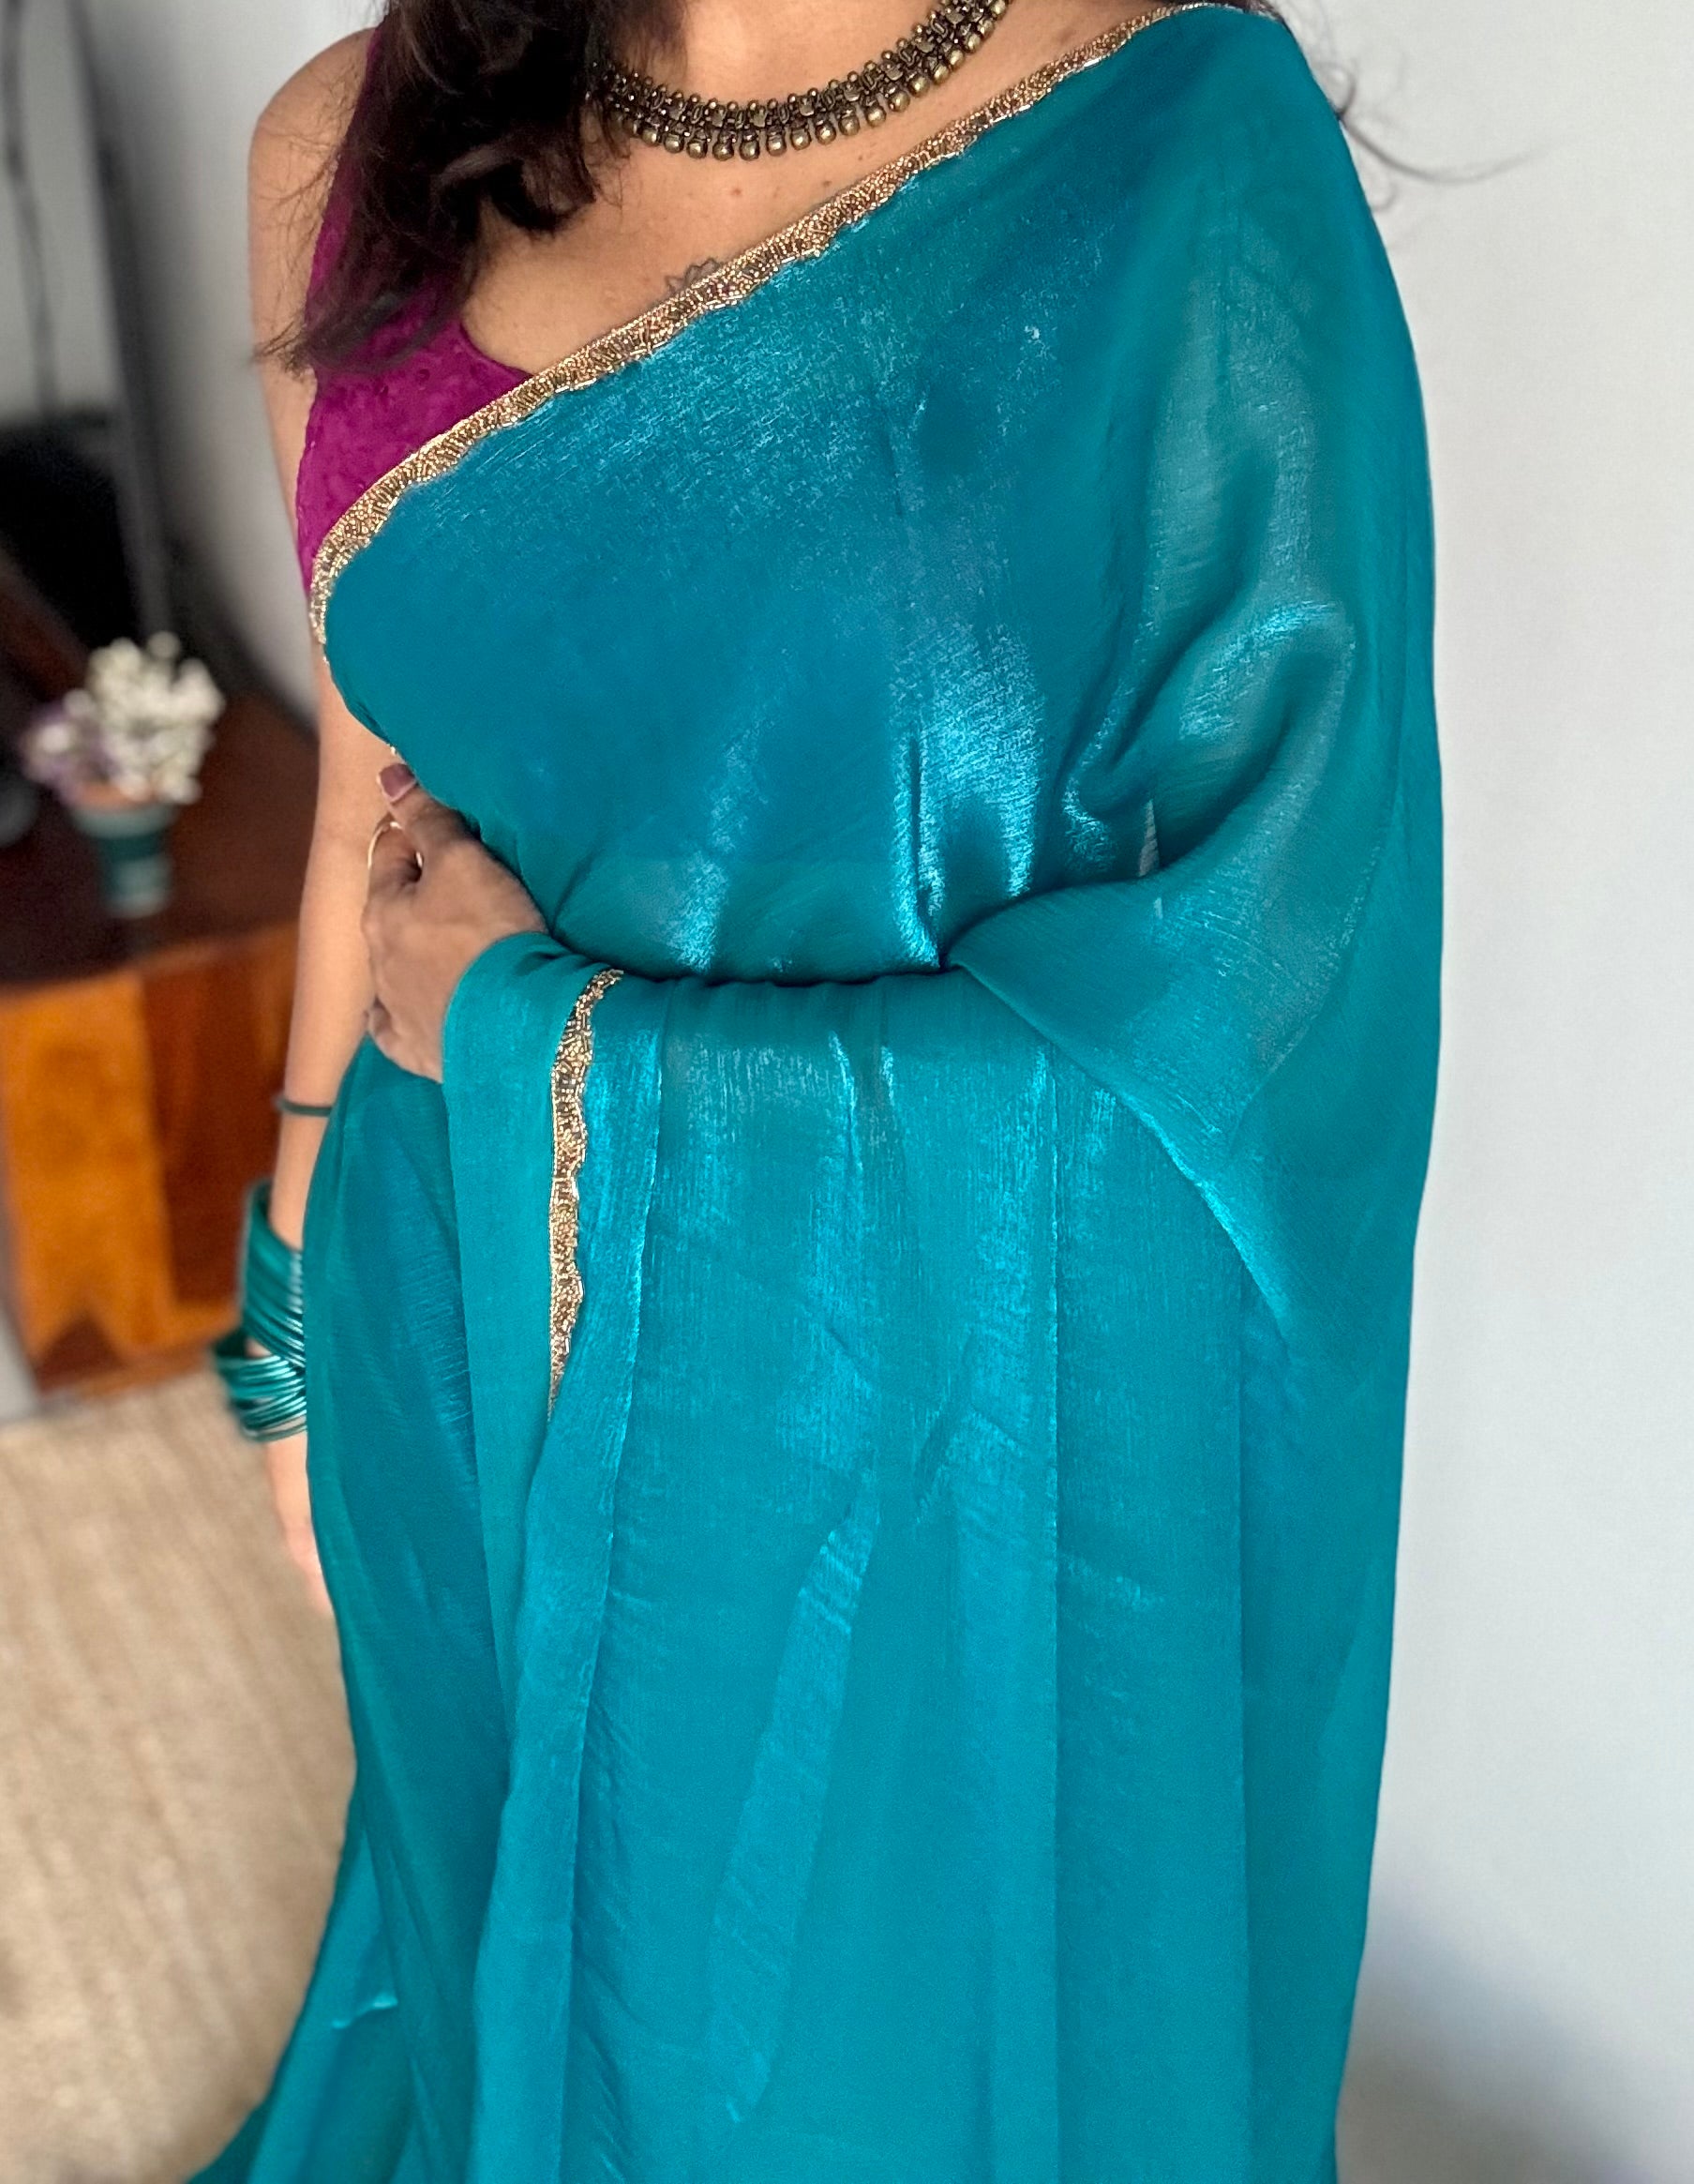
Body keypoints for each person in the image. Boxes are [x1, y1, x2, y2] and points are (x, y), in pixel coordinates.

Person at [202, 0, 1442, 2176]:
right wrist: (296, 1292)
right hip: (454, 1317)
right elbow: (362, 791)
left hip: (921, 1424)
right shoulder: (349, 143)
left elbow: (1262, 1050)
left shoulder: (1174, 158)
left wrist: (530, 1034)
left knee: (813, 2055)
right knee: (509, 1957)